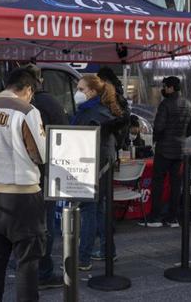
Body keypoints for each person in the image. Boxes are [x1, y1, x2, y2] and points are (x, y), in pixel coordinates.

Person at [0, 68, 46, 302]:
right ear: (27, 89)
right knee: (26, 263)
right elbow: (40, 154)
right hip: (23, 196)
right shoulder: (27, 111)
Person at [23, 64, 68, 290]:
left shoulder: (31, 105)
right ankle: (42, 270)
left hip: (34, 172)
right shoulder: (49, 102)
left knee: (37, 223)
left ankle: (38, 269)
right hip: (47, 170)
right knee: (44, 223)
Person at [72, 75, 123, 270]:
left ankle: (83, 258)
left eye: (81, 89)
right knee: (99, 209)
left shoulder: (91, 112)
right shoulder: (101, 110)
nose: (78, 92)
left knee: (89, 210)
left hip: (94, 165)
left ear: (92, 91)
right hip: (102, 163)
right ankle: (108, 250)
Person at [144, 76, 191, 228]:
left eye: (165, 87)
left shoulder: (165, 104)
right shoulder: (188, 104)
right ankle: (172, 217)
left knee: (158, 183)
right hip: (180, 150)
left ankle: (155, 217)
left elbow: (159, 127)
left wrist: (158, 139)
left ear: (171, 88)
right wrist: (180, 136)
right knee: (176, 185)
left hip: (164, 150)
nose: (164, 89)